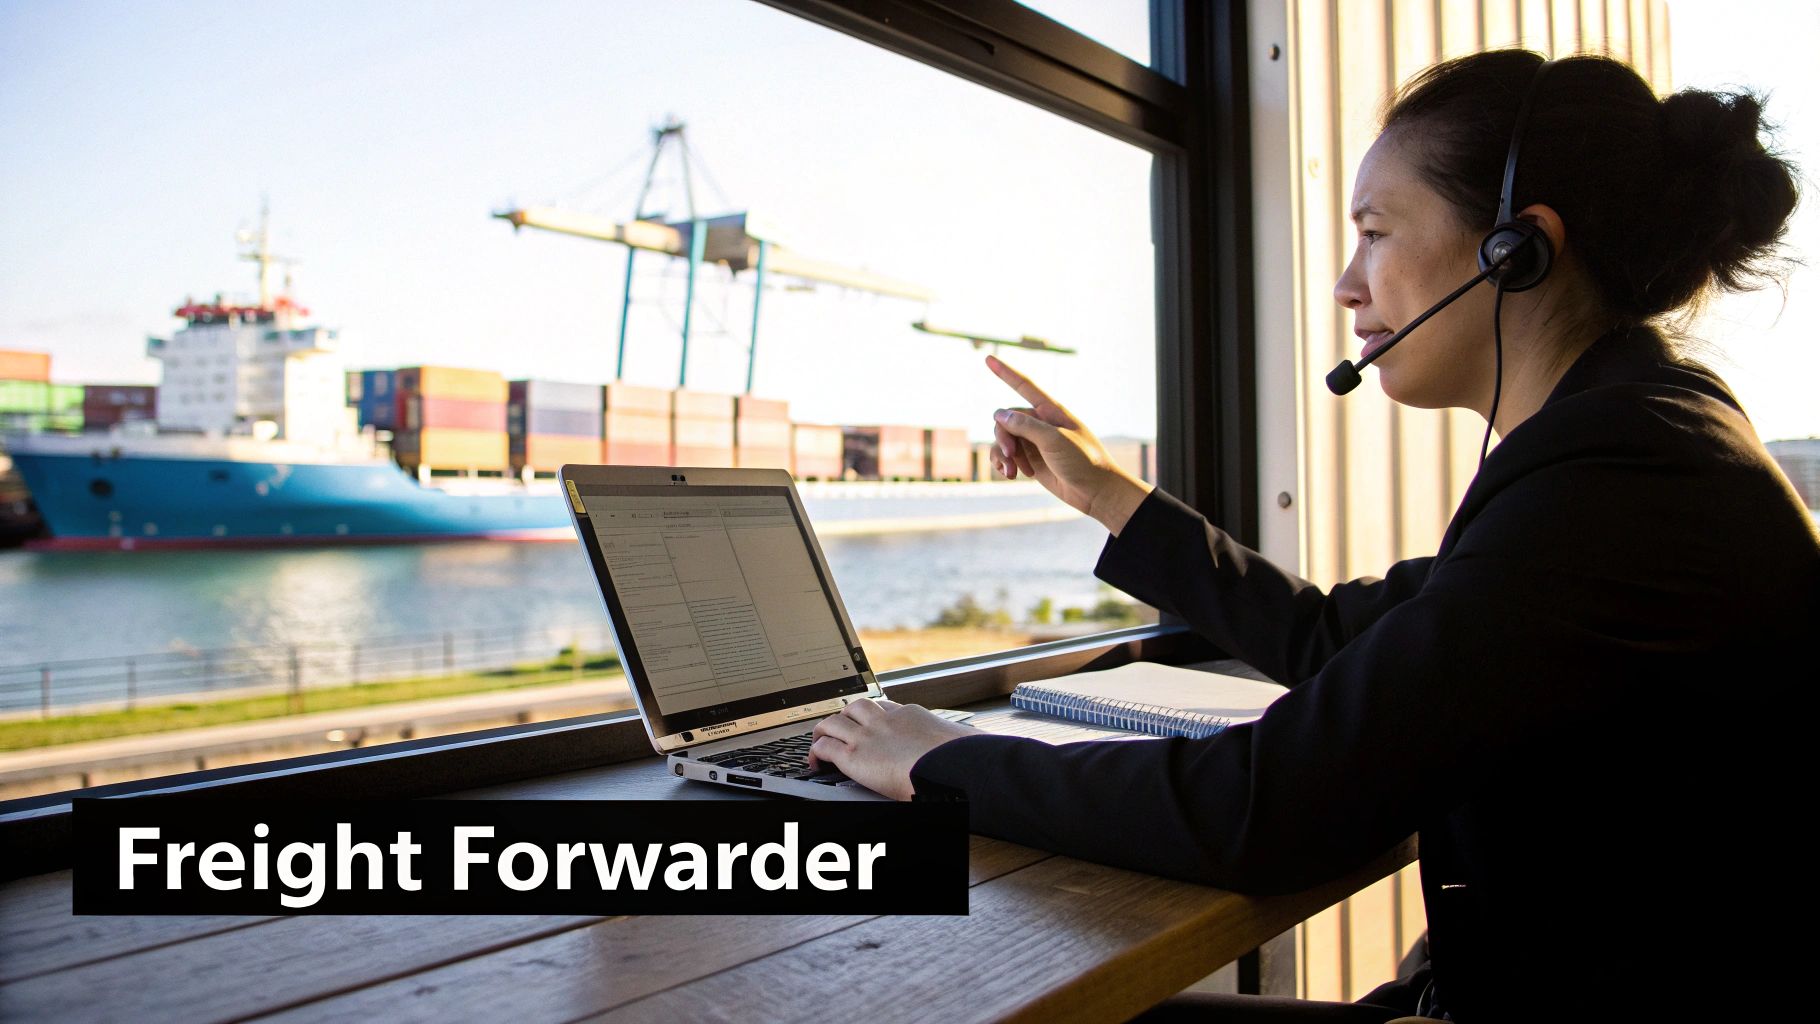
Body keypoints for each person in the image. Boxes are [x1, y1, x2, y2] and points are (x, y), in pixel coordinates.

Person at [803, 48, 1819, 1022]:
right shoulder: (1637, 433)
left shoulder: (1616, 480)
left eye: (1373, 232)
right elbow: (1345, 641)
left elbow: (1264, 807)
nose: (1344, 283)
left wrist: (939, 759)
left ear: (1516, 249)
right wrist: (1113, 498)